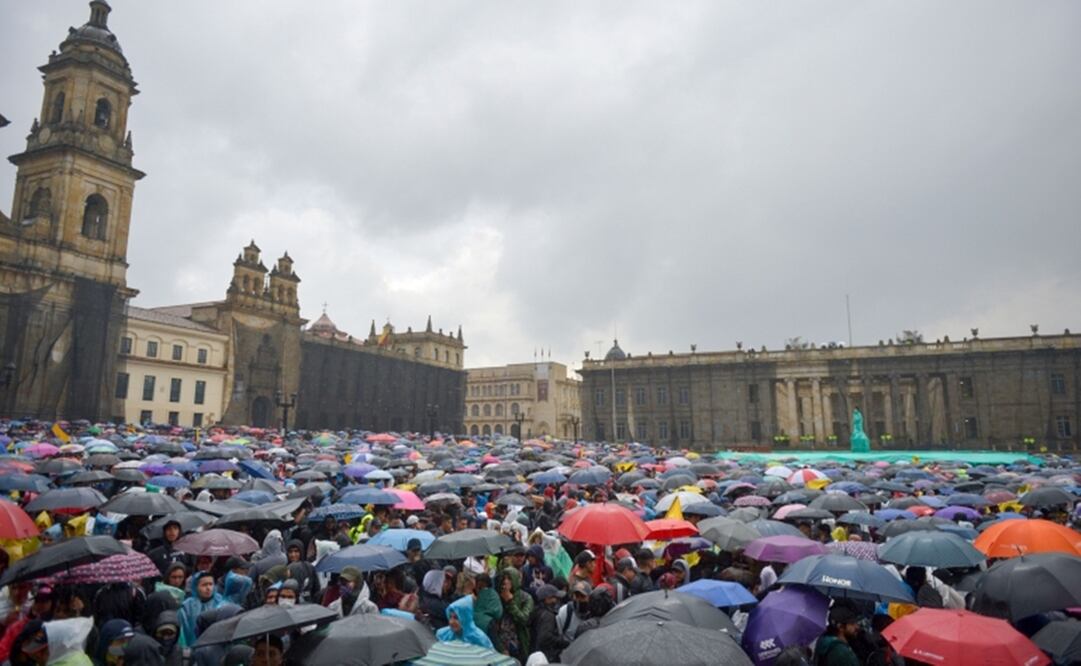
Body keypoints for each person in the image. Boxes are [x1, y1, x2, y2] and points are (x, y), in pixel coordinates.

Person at [491, 568, 533, 661]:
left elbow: (524, 619)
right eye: (504, 579)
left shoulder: (525, 598)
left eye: (509, 578)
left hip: (519, 644)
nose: (505, 582)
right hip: (500, 644)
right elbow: (493, 624)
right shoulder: (497, 597)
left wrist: (510, 602)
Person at [178, 572, 224, 648]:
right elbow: (182, 632)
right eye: (204, 585)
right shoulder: (187, 606)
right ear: (195, 587)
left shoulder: (220, 603)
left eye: (210, 584)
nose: (208, 588)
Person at [529, 584, 568, 663]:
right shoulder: (548, 616)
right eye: (555, 597)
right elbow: (545, 637)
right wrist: (562, 642)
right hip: (547, 656)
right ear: (547, 599)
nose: (557, 600)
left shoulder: (537, 611)